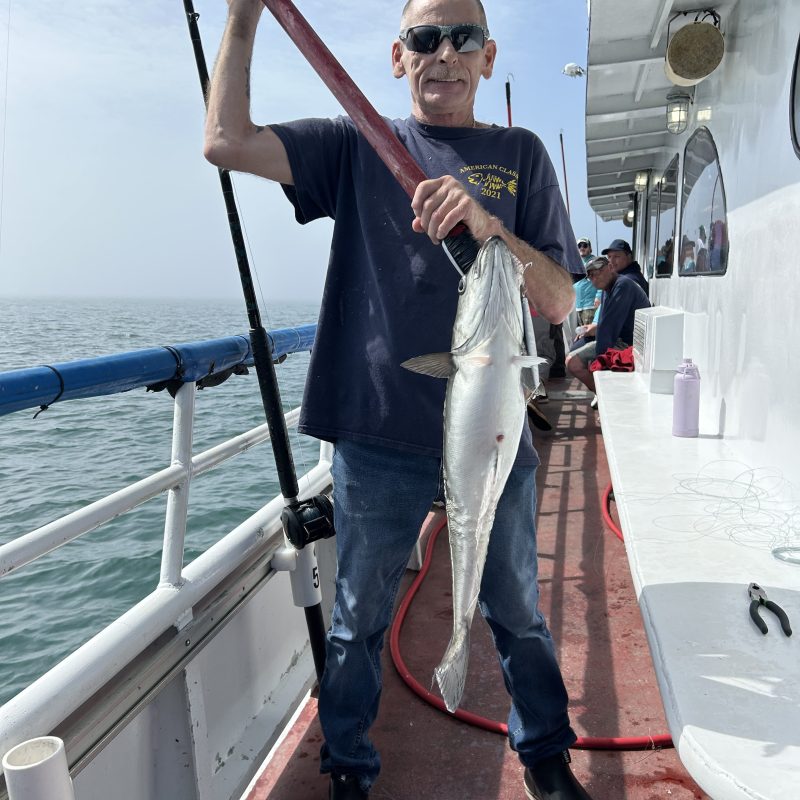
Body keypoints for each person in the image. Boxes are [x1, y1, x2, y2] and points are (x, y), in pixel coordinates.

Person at [204, 2, 592, 799]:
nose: (443, 53)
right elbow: (224, 140)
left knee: (518, 611)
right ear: (396, 56)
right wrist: (242, 18)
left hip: (493, 440)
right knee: (357, 621)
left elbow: (556, 300)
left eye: (464, 38)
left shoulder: (519, 156)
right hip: (374, 434)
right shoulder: (353, 145)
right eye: (424, 38)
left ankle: (547, 763)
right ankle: (349, 768)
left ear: (488, 58)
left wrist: (489, 225)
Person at [566, 256, 650, 395]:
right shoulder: (608, 289)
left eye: (597, 273)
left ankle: (606, 395)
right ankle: (602, 394)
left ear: (610, 268)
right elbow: (605, 323)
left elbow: (608, 329)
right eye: (590, 276)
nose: (594, 278)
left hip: (628, 344)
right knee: (572, 359)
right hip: (618, 340)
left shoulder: (622, 286)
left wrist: (600, 362)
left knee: (574, 362)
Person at [573, 237, 601, 326]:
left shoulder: (594, 261)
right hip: (578, 307)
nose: (582, 248)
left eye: (585, 245)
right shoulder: (576, 263)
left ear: (590, 248)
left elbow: (601, 280)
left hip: (590, 306)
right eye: (579, 246)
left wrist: (599, 296)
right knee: (582, 334)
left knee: (588, 335)